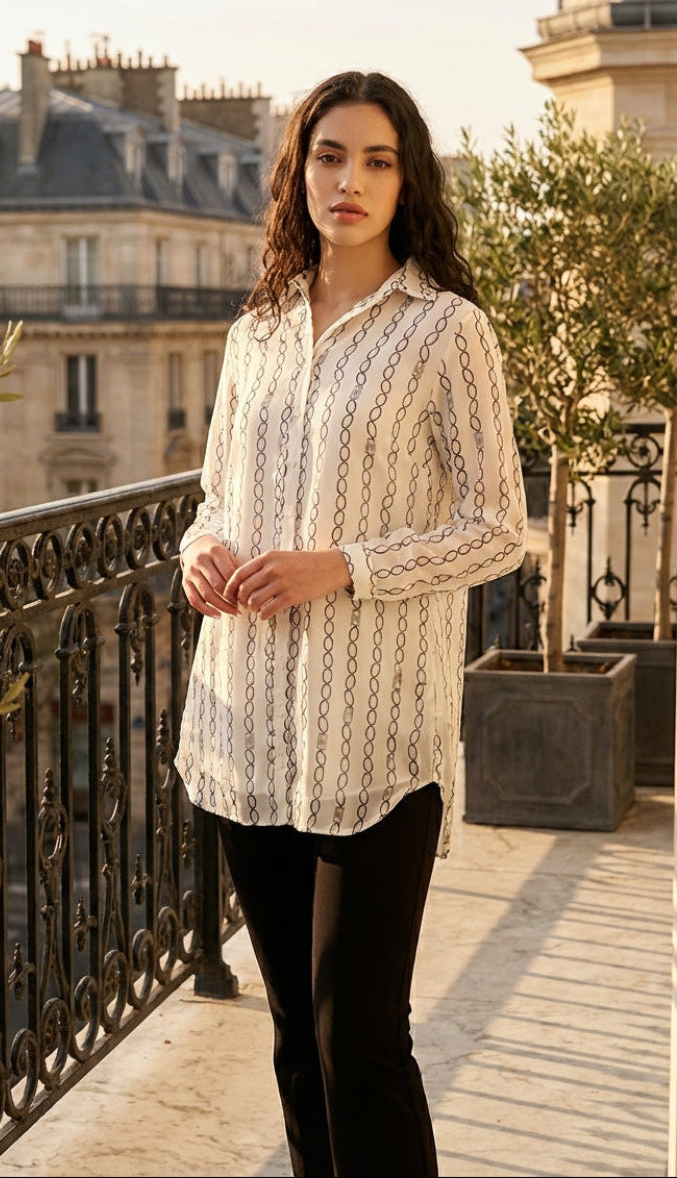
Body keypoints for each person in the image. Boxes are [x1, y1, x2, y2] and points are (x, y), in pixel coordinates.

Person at [175, 69, 527, 1178]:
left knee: (359, 1037)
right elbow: (213, 498)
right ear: (300, 172)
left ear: (406, 179)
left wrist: (346, 567)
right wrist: (201, 556)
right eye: (331, 155)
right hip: (250, 732)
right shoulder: (257, 333)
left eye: (378, 160)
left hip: (378, 741)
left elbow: (496, 529)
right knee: (292, 1036)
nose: (352, 180)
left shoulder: (446, 333)